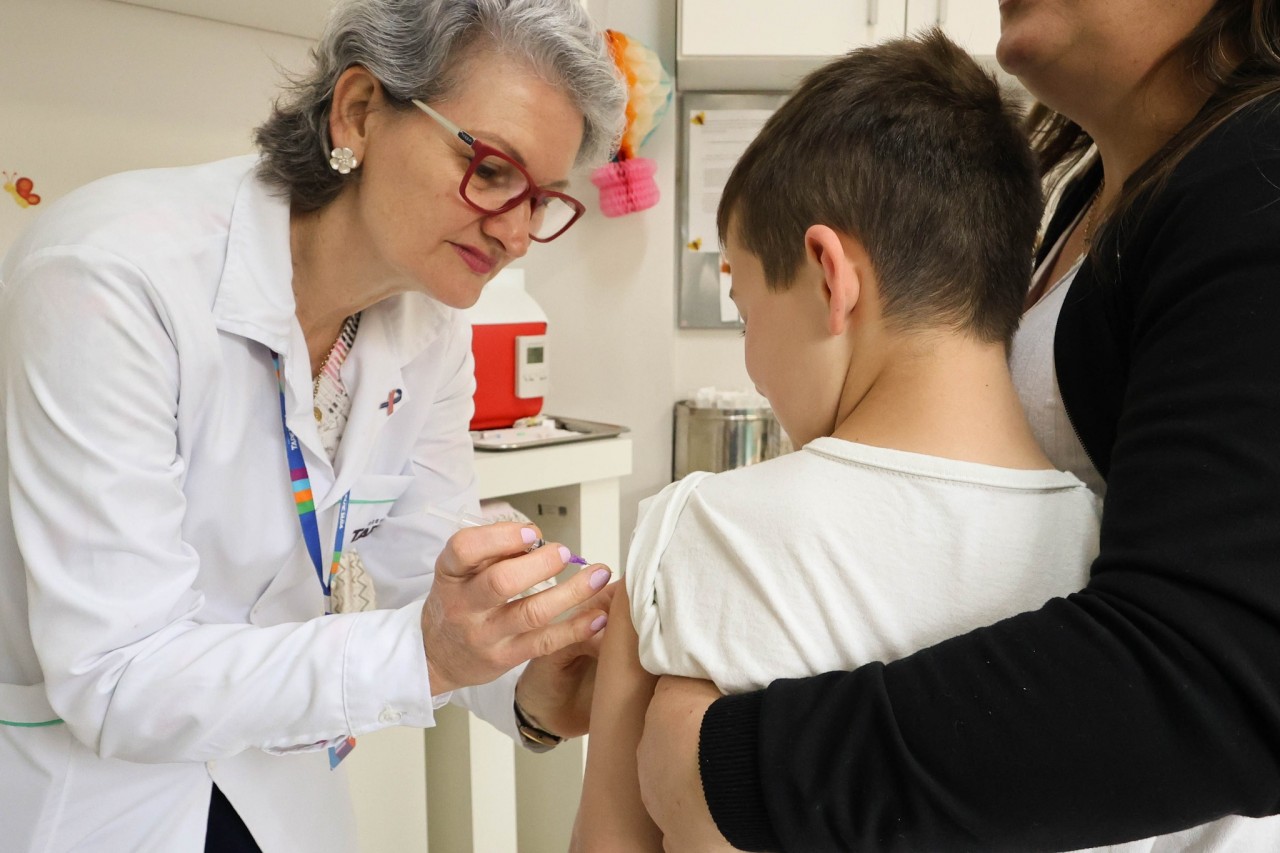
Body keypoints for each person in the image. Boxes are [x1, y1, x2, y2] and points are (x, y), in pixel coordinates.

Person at [634, 0, 1280, 850]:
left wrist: (731, 761)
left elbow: (1220, 678)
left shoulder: (1257, 182)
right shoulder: (1090, 191)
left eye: (744, 308)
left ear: (831, 276)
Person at [0, 1, 625, 850]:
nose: (516, 231)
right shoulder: (110, 278)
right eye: (490, 171)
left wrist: (526, 684)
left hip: (274, 784)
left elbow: (421, 566)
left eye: (542, 198)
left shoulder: (425, 322)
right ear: (359, 110)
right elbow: (116, 675)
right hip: (97, 796)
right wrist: (427, 655)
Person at [566, 29, 1114, 852]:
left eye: (748, 312)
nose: (755, 366)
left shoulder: (701, 529)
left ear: (830, 275)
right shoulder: (1123, 565)